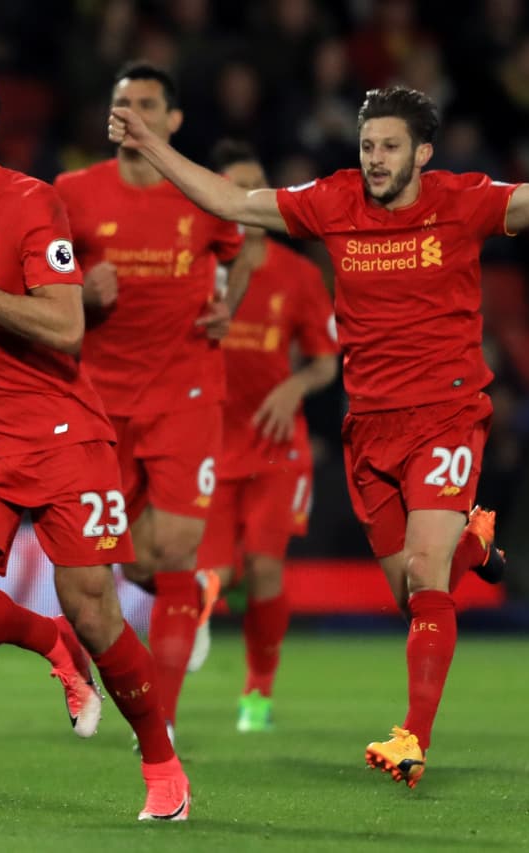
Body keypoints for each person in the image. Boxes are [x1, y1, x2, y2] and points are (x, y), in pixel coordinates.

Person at [109, 81, 529, 787]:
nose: (375, 158)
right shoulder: (334, 201)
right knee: (416, 597)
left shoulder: (461, 200)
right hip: (370, 428)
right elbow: (233, 202)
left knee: (424, 579)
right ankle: (473, 542)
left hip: (447, 412)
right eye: (368, 145)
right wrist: (154, 146)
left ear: (423, 152)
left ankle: (411, 736)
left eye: (390, 146)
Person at [0, 61, 188, 821]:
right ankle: (49, 641)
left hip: (61, 436)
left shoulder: (31, 202)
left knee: (96, 609)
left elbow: (65, 324)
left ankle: (162, 764)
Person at [54, 62, 249, 741]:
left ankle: (156, 722)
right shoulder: (72, 194)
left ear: (173, 121)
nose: (129, 112)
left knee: (173, 548)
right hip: (99, 398)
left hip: (185, 390)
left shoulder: (204, 192)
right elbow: (37, 281)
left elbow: (240, 248)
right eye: (120, 102)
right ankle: (185, 600)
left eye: (144, 103)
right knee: (117, 559)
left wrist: (229, 305)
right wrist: (81, 291)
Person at [187, 140, 341, 733]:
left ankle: (258, 691)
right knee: (216, 572)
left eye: (257, 185)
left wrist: (293, 387)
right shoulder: (199, 269)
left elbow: (327, 362)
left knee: (265, 569)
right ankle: (201, 616)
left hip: (277, 447)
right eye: (236, 186)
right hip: (211, 444)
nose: (248, 197)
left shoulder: (298, 274)